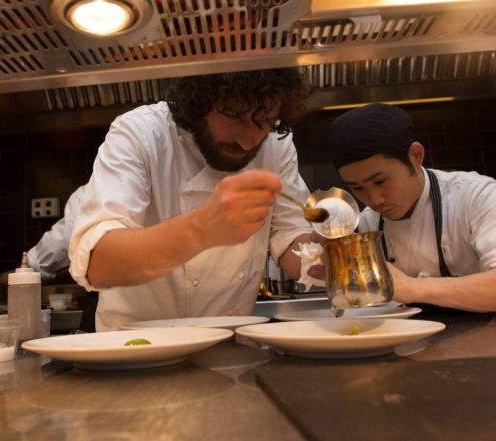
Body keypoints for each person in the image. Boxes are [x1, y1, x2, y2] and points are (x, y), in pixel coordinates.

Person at [69, 68, 316, 331]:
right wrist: (201, 228)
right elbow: (99, 263)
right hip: (134, 352)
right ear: (197, 103)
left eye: (265, 121)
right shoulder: (141, 133)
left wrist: (325, 259)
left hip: (227, 349)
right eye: (232, 114)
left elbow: (290, 237)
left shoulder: (277, 146)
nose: (247, 142)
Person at [325, 102, 496, 312]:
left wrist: (413, 288)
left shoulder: (474, 195)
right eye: (358, 188)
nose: (374, 200)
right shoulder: (367, 223)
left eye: (380, 181)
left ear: (415, 155)